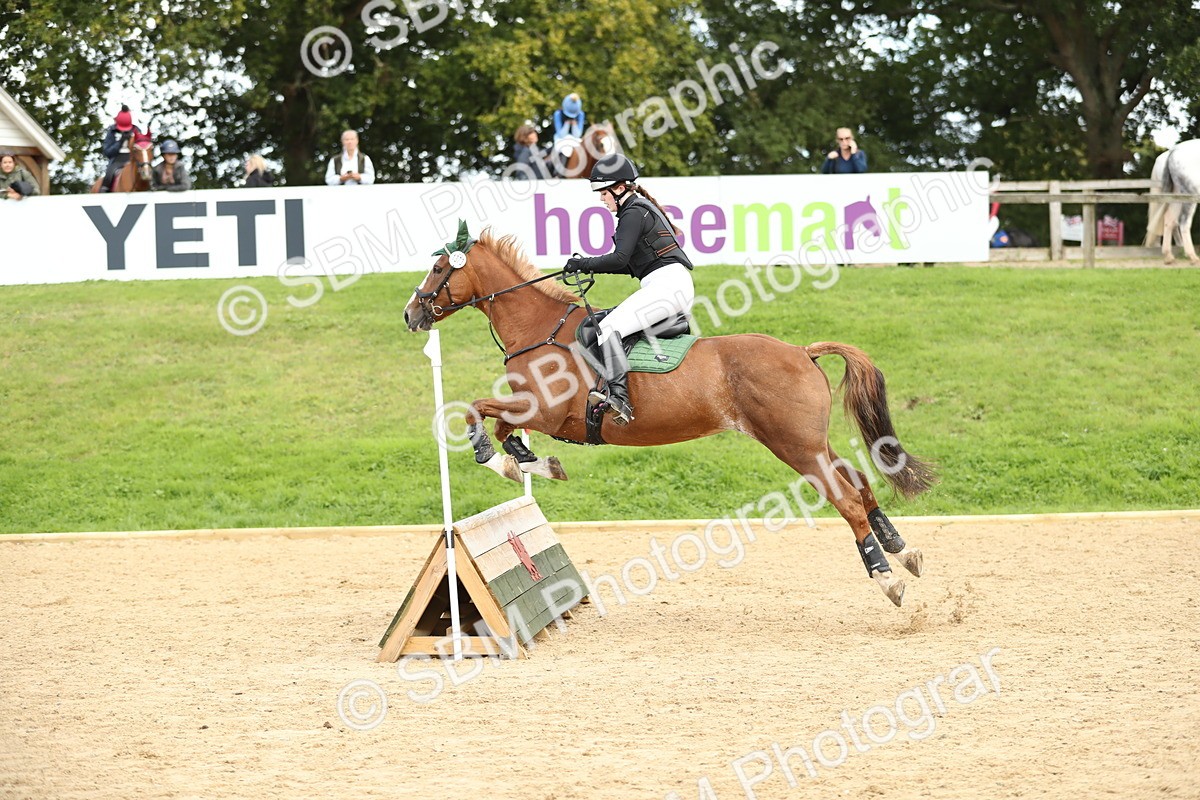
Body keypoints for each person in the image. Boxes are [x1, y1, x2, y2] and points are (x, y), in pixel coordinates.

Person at [563, 154, 695, 426]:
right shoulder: (636, 209)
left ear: (620, 188)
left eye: (604, 193)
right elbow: (630, 267)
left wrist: (583, 262)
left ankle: (620, 398)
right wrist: (587, 267)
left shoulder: (634, 212)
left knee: (609, 327)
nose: (602, 199)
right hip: (667, 284)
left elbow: (619, 258)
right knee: (596, 324)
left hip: (668, 286)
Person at [100, 104, 142, 192]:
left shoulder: (136, 130)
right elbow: (107, 152)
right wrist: (120, 142)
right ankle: (104, 191)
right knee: (109, 175)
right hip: (117, 160)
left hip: (133, 159)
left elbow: (141, 148)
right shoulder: (111, 131)